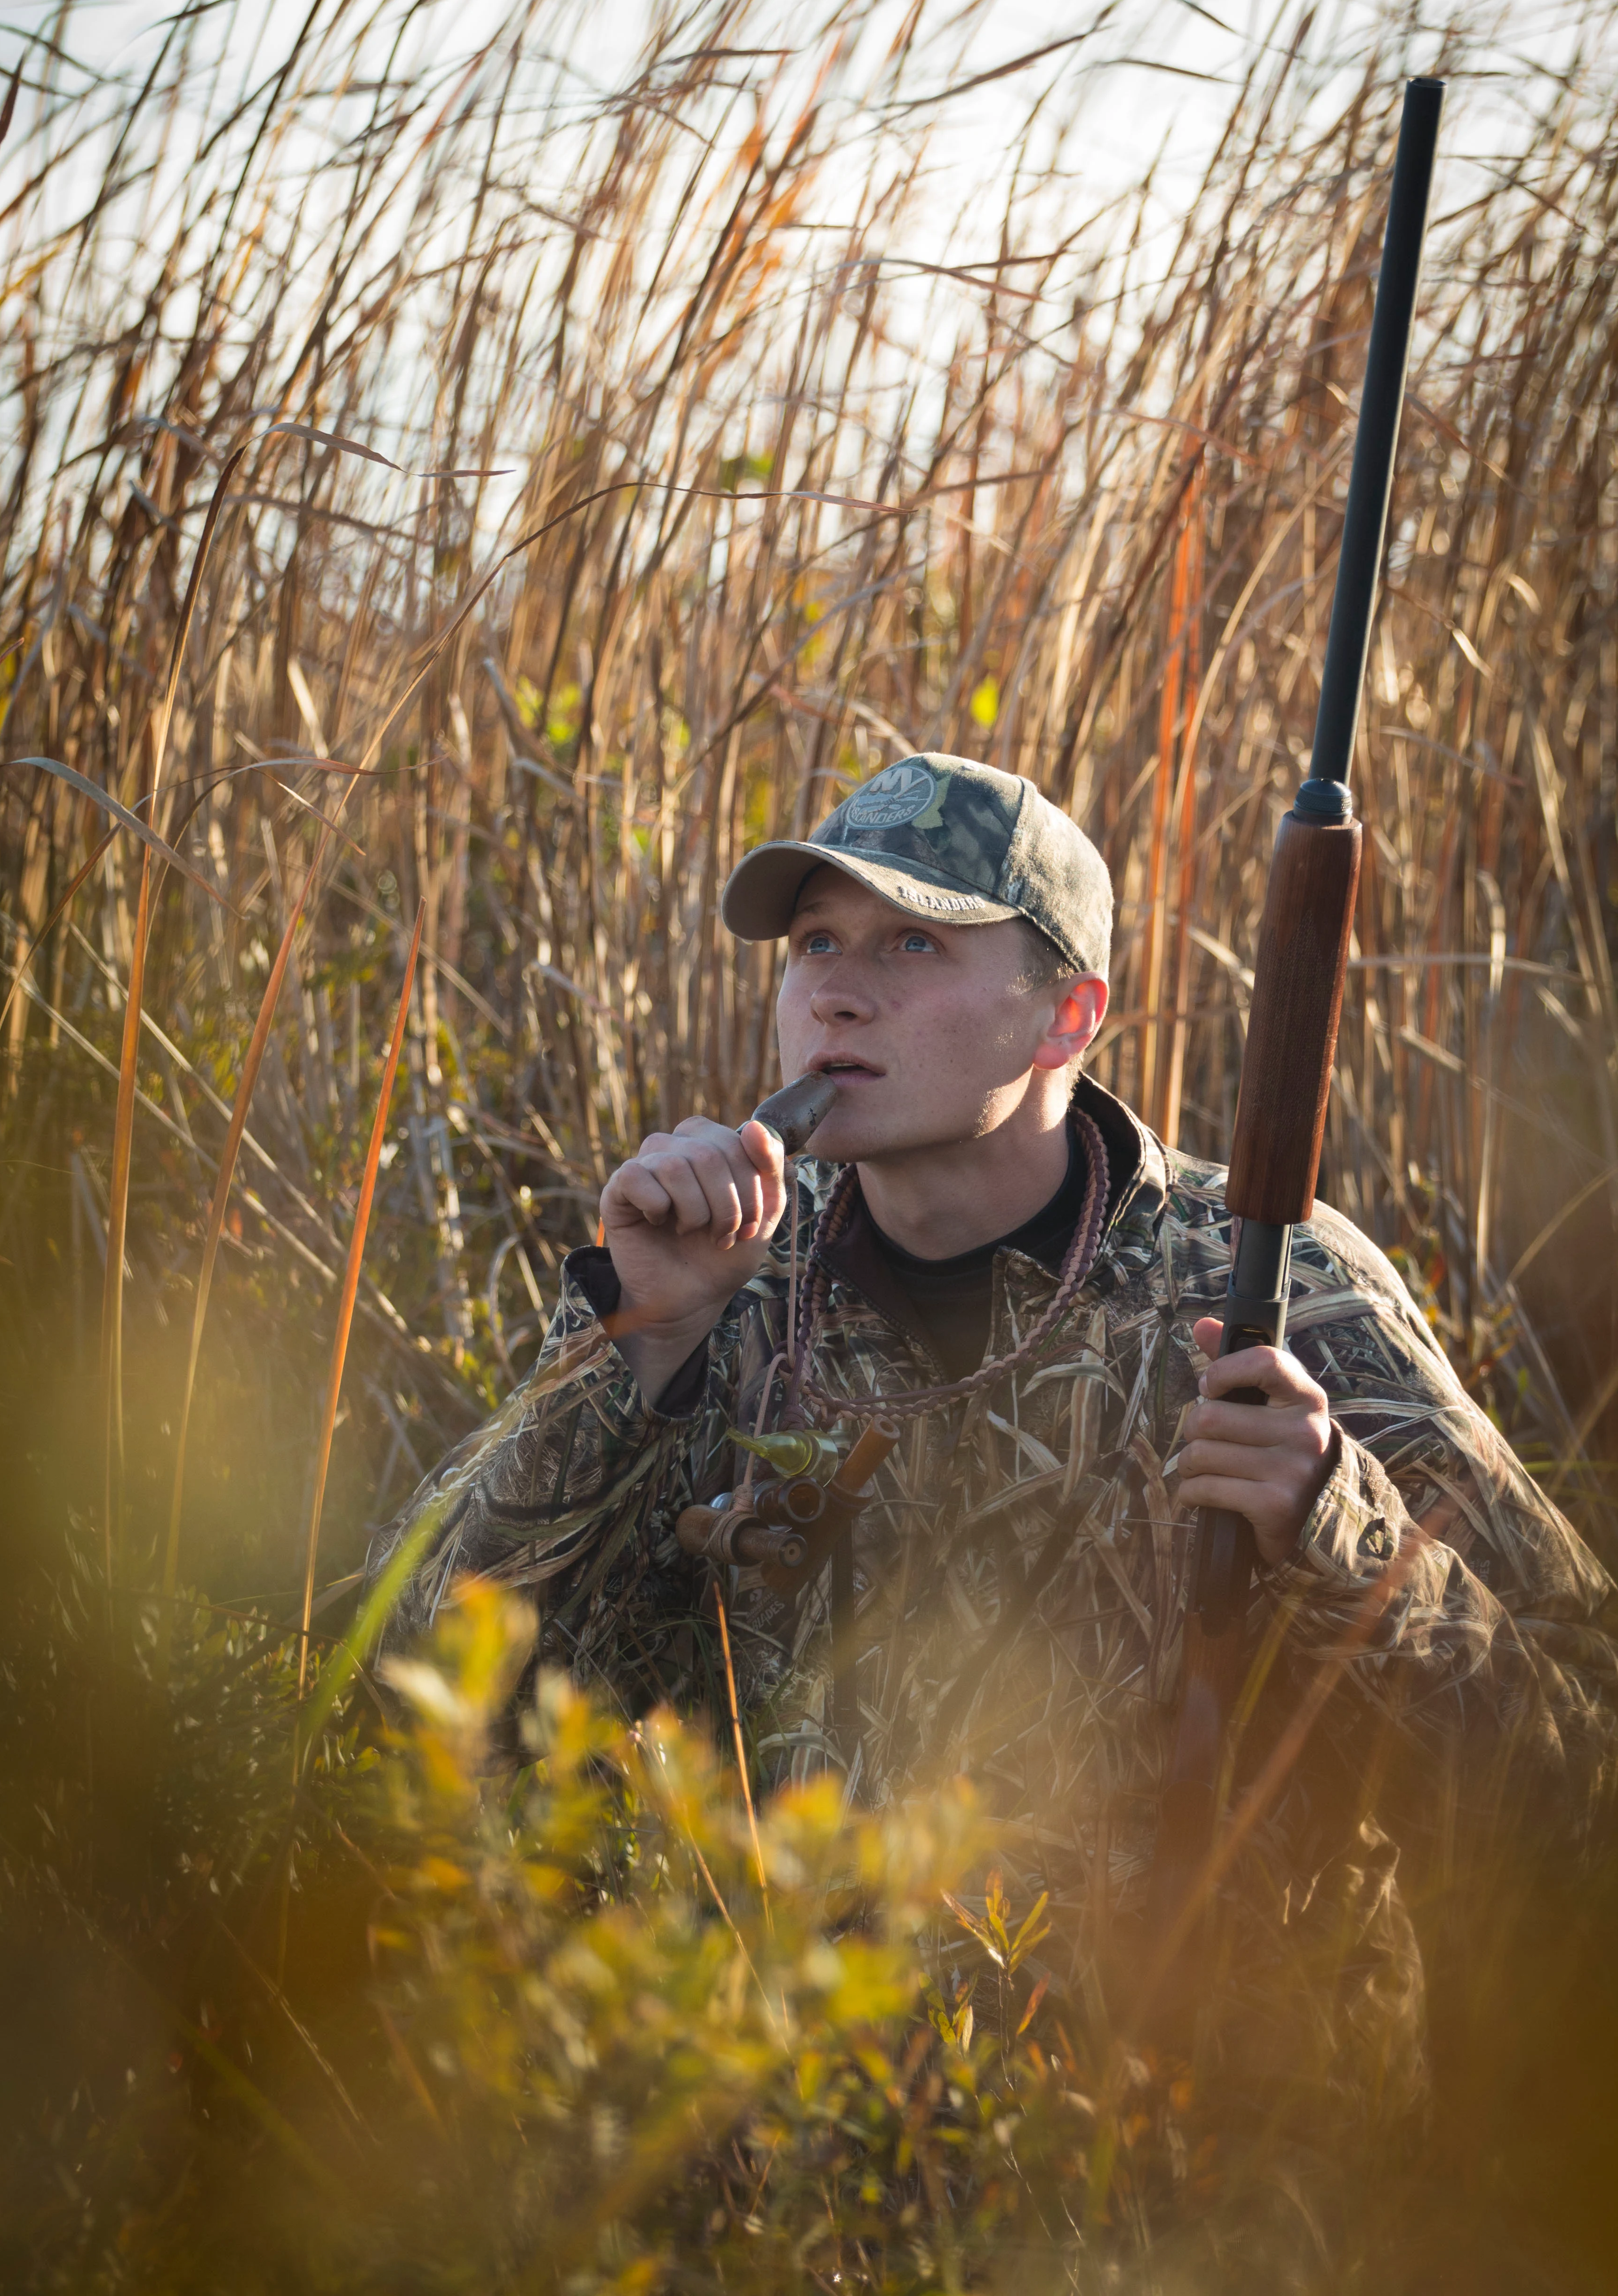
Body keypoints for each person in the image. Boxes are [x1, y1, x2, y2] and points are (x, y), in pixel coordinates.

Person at [369, 752, 1616, 2117]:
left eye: (914, 941)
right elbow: (415, 1700)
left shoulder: (1273, 1285)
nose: (839, 989)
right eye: (817, 946)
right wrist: (629, 1351)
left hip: (1215, 2186)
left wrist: (1339, 1518)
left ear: (1067, 1018)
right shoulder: (724, 1295)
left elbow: (1576, 1788)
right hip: (805, 2179)